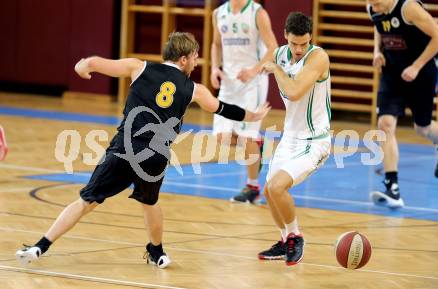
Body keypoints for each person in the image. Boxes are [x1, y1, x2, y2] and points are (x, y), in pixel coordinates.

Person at [15, 32, 270, 269]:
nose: (195, 62)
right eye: (193, 57)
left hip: (124, 148)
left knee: (86, 201)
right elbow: (224, 109)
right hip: (155, 156)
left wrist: (83, 66)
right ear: (183, 59)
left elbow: (97, 62)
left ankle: (41, 246)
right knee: (150, 203)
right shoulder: (195, 89)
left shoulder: (139, 66)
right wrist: (253, 115)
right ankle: (157, 252)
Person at [257, 12, 331, 265]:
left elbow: (295, 91)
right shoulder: (279, 53)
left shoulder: (318, 57)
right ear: (285, 36)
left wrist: (275, 68)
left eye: (304, 43)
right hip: (290, 137)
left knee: (278, 187)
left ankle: (296, 236)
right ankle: (283, 240)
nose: (299, 49)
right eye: (294, 44)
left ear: (311, 38)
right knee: (269, 191)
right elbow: (261, 66)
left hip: (315, 140)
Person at [367, 0, 438, 208]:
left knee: (422, 128)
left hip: (421, 72)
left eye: (378, 4)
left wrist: (416, 66)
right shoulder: (373, 6)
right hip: (392, 73)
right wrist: (377, 51)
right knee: (385, 125)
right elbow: (378, 25)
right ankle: (393, 188)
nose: (374, 8)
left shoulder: (408, 8)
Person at [211, 0, 278, 203]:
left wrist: (253, 70)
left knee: (247, 136)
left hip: (253, 82)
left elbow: (273, 47)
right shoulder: (218, 12)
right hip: (229, 83)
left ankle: (252, 186)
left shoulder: (257, 12)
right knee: (221, 139)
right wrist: (215, 68)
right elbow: (216, 44)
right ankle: (259, 144)